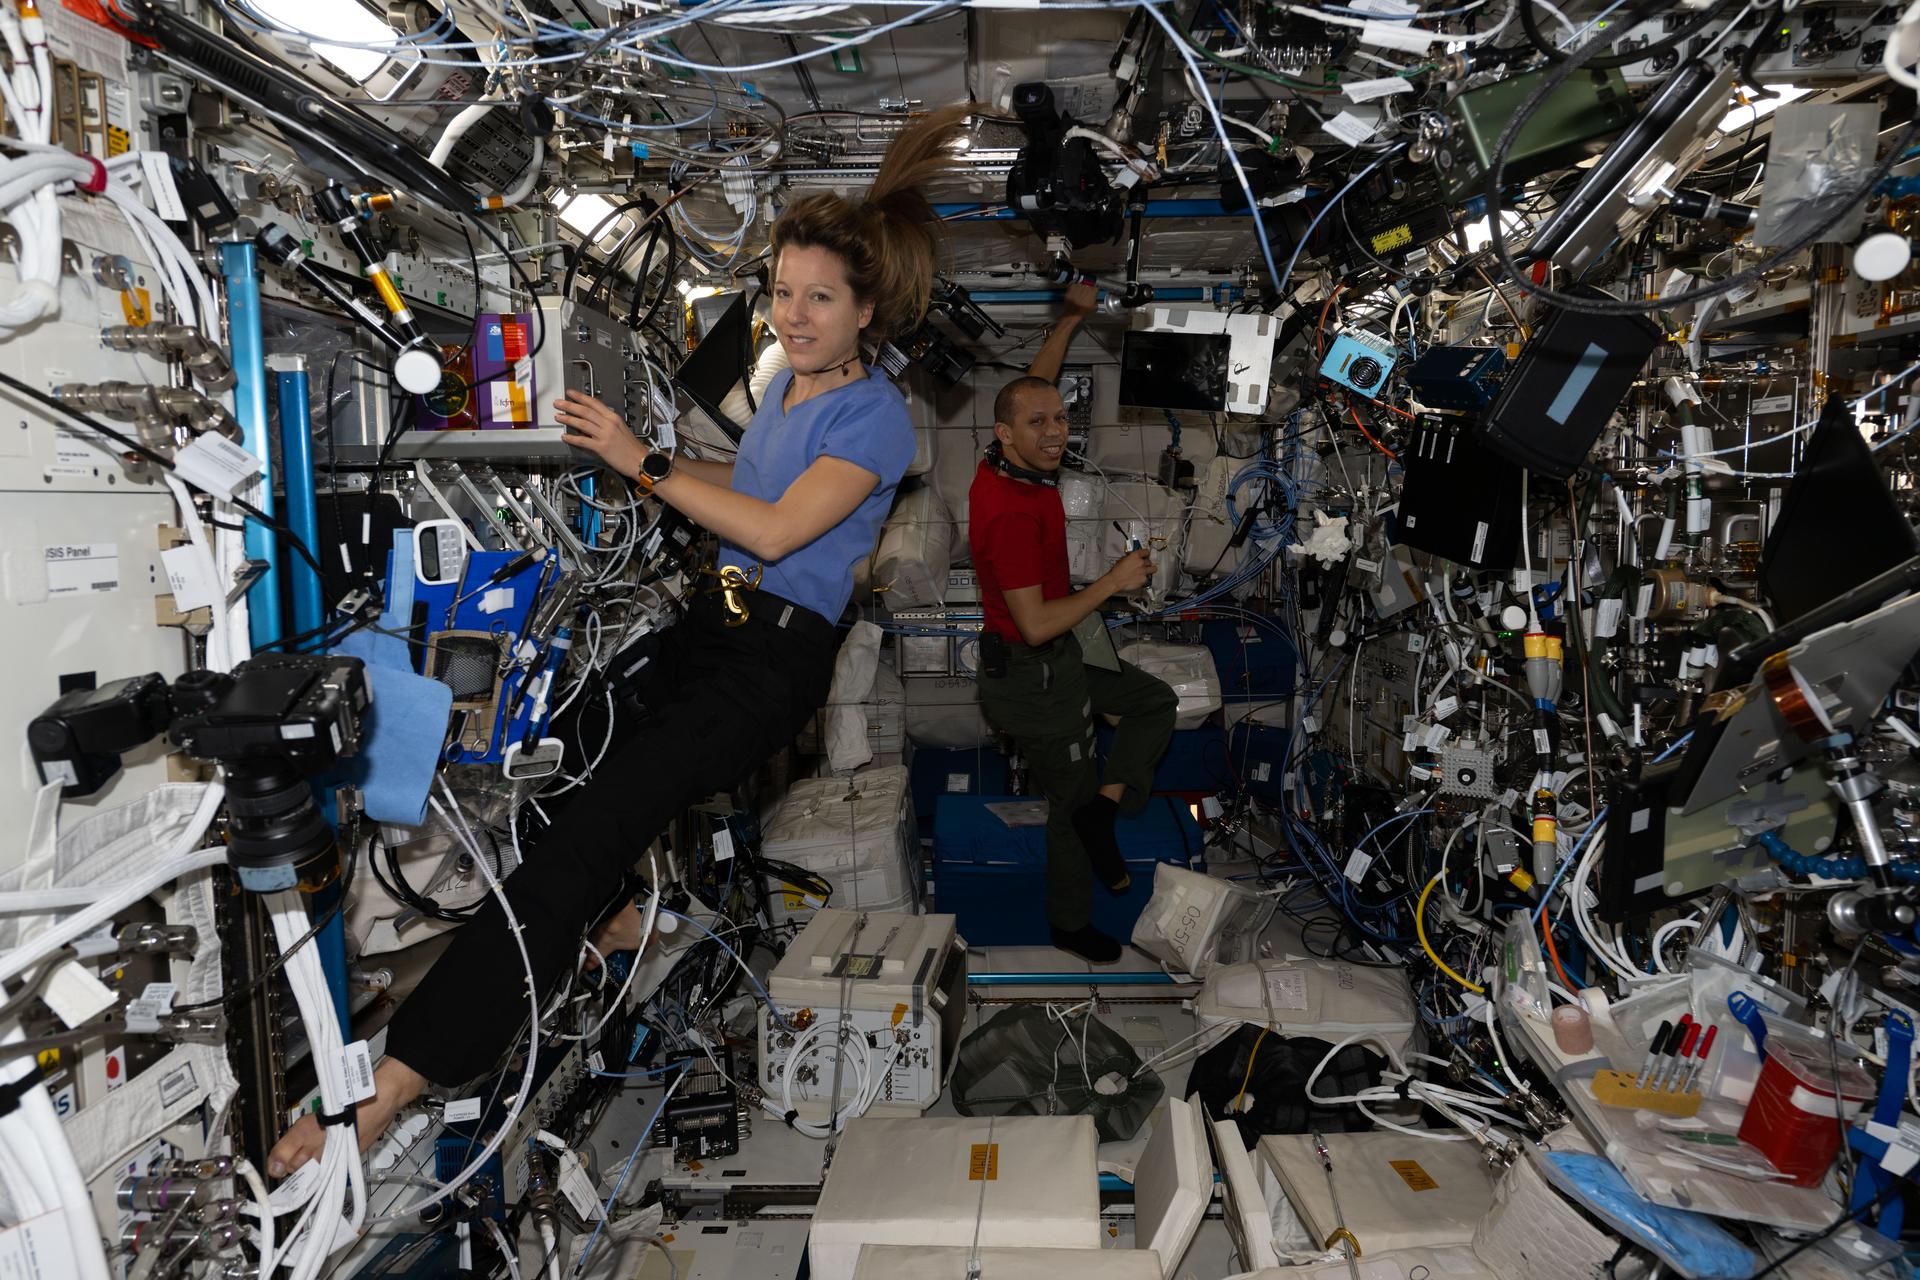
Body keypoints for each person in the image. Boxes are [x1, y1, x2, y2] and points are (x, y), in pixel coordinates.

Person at [267, 104, 974, 1177]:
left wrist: (646, 461)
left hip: (770, 664)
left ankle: (398, 1078)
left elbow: (782, 529)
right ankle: (612, 922)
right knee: (557, 759)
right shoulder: (784, 386)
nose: (792, 316)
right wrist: (638, 464)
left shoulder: (877, 416)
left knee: (585, 830)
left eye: (818, 298)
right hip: (713, 624)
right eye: (781, 292)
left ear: (867, 309)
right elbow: (750, 485)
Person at [967, 280, 1178, 964]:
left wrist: (1073, 317)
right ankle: (1069, 922)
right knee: (1067, 810)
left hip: (1067, 652)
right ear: (1005, 434)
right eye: (1039, 424)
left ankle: (1104, 807)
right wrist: (1113, 584)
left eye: (1059, 418)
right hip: (1032, 675)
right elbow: (1031, 625)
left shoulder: (1005, 460)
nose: (1055, 431)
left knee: (1154, 702)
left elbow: (1036, 382)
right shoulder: (1011, 512)